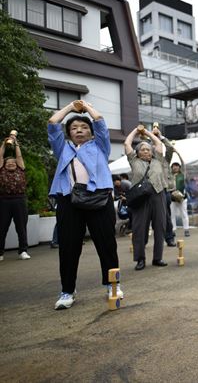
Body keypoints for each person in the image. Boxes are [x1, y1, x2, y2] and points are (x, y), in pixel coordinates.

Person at [48, 100, 122, 309]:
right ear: (69, 133)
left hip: (99, 198)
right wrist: (71, 107)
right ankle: (67, 291)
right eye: (74, 128)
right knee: (69, 247)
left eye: (83, 127)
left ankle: (112, 285)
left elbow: (99, 121)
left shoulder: (100, 145)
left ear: (90, 132)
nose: (79, 130)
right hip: (68, 199)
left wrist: (86, 107)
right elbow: (53, 123)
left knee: (106, 244)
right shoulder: (62, 148)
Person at [124, 126, 168, 271]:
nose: (146, 151)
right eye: (142, 149)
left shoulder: (158, 160)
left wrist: (147, 133)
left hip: (158, 194)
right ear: (137, 153)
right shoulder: (134, 161)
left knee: (160, 227)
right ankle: (140, 259)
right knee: (139, 229)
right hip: (141, 197)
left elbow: (159, 144)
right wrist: (137, 131)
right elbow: (127, 144)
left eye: (148, 149)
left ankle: (157, 258)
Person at [0, 134, 30, 261]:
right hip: (3, 201)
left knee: (21, 227)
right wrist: (3, 144)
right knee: (1, 227)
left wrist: (16, 143)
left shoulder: (21, 169)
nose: (11, 163)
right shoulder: (1, 170)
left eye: (13, 162)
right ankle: (0, 253)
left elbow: (19, 156)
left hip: (19, 200)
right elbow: (0, 156)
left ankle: (23, 251)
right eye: (8, 162)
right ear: (4, 164)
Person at [153, 126, 176, 247]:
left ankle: (169, 238)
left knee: (166, 216)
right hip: (151, 191)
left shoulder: (166, 160)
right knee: (151, 216)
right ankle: (145, 240)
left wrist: (161, 137)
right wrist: (151, 137)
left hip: (165, 191)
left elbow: (170, 147)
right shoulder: (149, 159)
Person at [170, 162, 190, 237]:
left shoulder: (182, 175)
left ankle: (186, 229)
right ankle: (173, 230)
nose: (175, 167)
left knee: (184, 214)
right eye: (173, 166)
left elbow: (183, 163)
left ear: (179, 167)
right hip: (172, 197)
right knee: (172, 215)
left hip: (182, 197)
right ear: (171, 168)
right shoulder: (170, 176)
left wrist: (178, 153)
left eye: (177, 166)